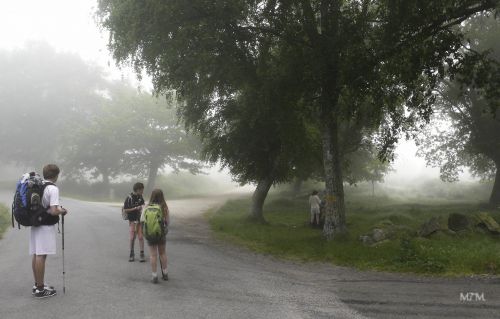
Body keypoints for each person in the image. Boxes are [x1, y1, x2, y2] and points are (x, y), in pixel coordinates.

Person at [31, 164, 67, 298]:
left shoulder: (39, 185)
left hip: (36, 223)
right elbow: (53, 210)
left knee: (36, 254)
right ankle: (40, 289)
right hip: (45, 226)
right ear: (56, 175)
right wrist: (62, 210)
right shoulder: (52, 188)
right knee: (41, 255)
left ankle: (38, 284)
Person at [142, 189, 170, 283]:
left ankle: (154, 276)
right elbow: (167, 222)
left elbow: (142, 220)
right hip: (161, 233)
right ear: (162, 196)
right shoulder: (164, 207)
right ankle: (165, 274)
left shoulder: (147, 206)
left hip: (150, 233)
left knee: (153, 255)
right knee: (162, 253)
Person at [123, 182, 146, 262]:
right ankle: (131, 254)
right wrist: (136, 208)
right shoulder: (129, 197)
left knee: (140, 237)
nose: (143, 191)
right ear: (138, 189)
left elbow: (143, 206)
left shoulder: (140, 197)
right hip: (132, 221)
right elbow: (125, 209)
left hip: (140, 220)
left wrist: (143, 207)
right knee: (132, 237)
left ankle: (142, 254)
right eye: (142, 190)